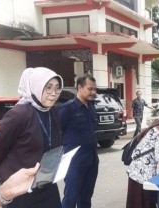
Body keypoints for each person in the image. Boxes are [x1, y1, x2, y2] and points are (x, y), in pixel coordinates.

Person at [0, 67, 64, 208]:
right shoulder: (19, 114)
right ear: (36, 86)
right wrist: (6, 178)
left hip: (46, 184)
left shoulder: (52, 111)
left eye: (57, 88)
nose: (54, 93)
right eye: (48, 88)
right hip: (20, 191)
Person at [58, 74, 99, 208]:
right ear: (79, 88)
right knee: (71, 197)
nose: (93, 92)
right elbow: (58, 131)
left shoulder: (91, 108)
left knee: (86, 197)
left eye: (95, 89)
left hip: (92, 160)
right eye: (90, 89)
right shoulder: (67, 108)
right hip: (74, 161)